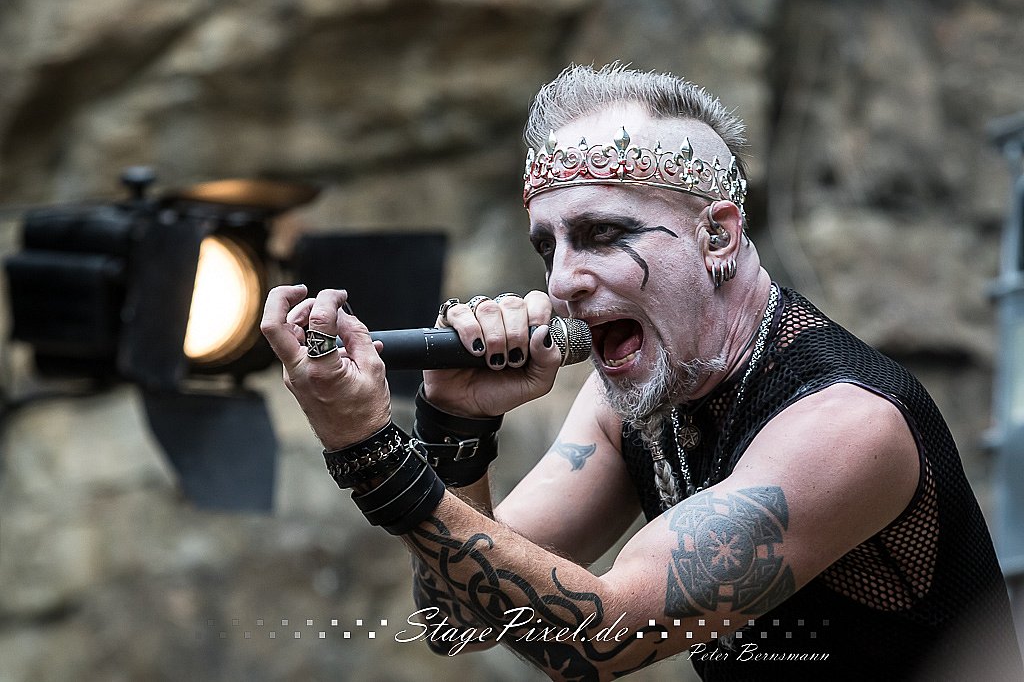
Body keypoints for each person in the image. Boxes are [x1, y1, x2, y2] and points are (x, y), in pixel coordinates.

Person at [260, 64, 1023, 680]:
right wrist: (455, 427)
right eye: (548, 246)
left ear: (718, 235)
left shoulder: (846, 422)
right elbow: (458, 619)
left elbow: (600, 639)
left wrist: (368, 449)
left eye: (600, 234)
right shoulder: (630, 396)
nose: (562, 281)